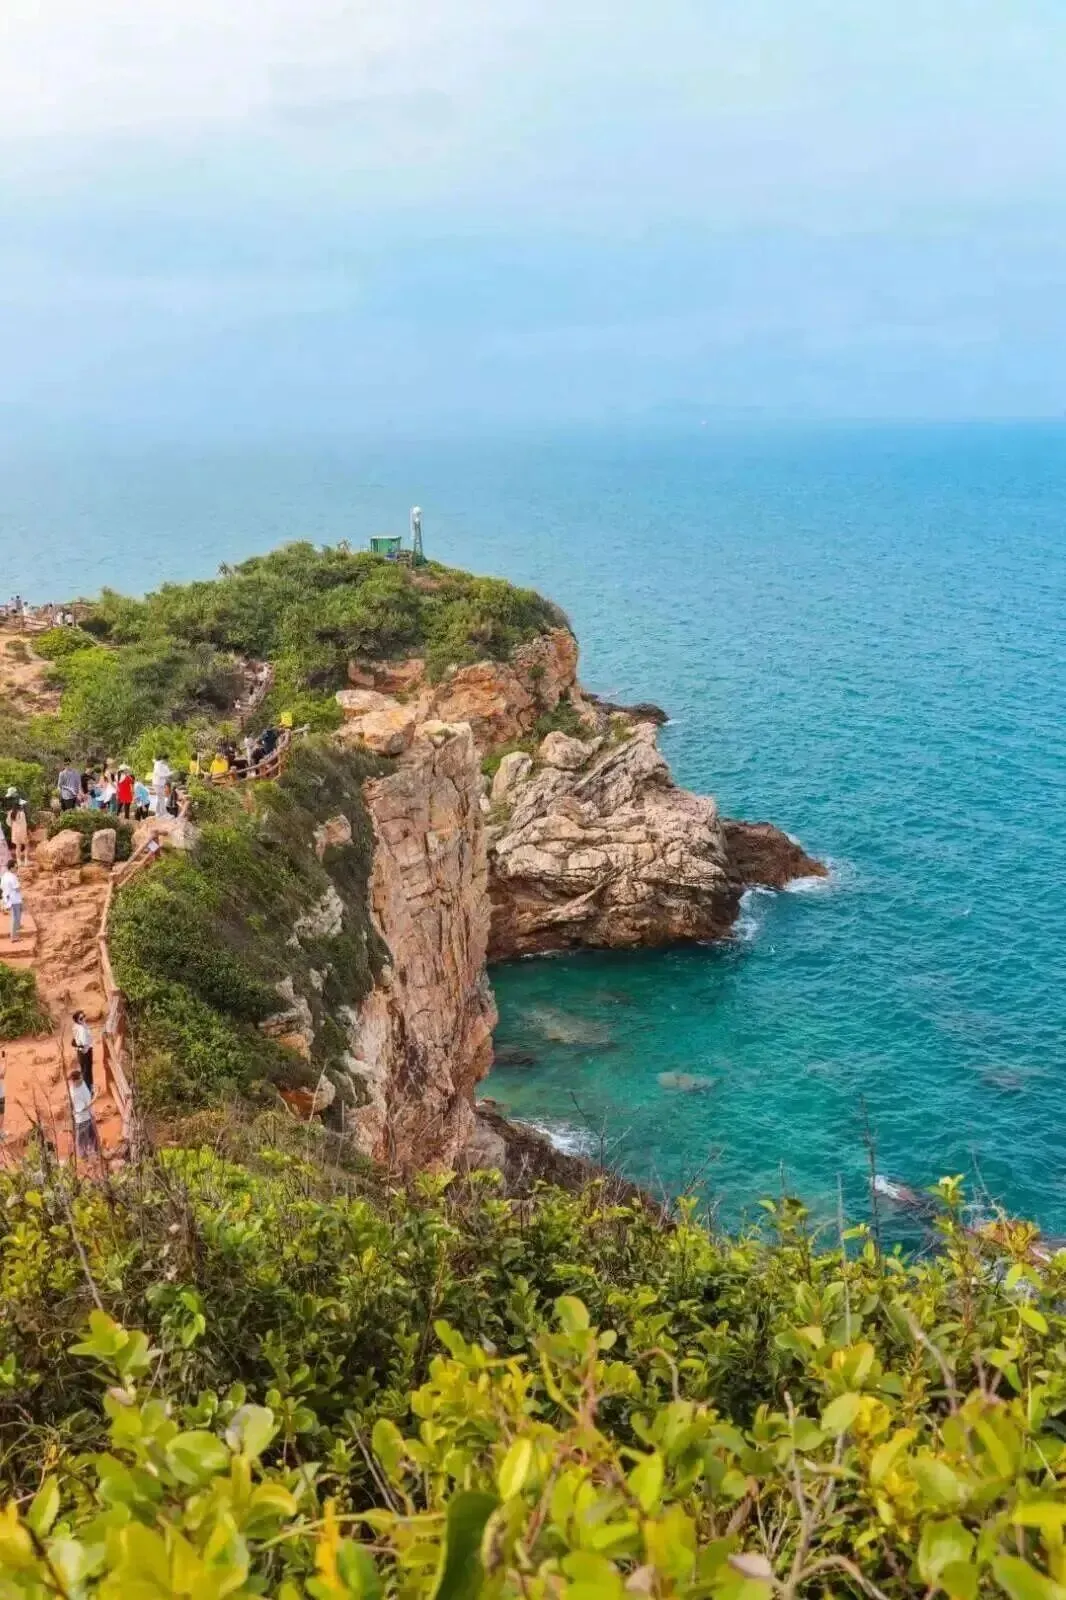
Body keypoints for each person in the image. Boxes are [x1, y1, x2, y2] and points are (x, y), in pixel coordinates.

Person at [67, 1066, 99, 1159]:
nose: (82, 1079)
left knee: (94, 1137)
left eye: (81, 1077)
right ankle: (83, 1158)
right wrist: (96, 1097)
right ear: (74, 1081)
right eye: (80, 1079)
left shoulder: (81, 1083)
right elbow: (83, 1108)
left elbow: (86, 1090)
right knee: (82, 1141)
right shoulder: (74, 1094)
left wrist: (92, 1089)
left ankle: (96, 1153)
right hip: (82, 1120)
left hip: (89, 1115)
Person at [71, 1011, 94, 1092]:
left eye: (84, 1016)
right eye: (81, 1018)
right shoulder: (81, 1028)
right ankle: (88, 1090)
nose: (83, 1019)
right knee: (86, 1072)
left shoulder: (79, 1026)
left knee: (86, 1070)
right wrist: (87, 1044)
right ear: (77, 1020)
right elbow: (84, 1042)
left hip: (82, 1051)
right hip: (85, 1051)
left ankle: (89, 1088)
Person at [5, 793, 29, 869]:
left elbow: (9, 823)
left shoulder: (11, 812)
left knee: (18, 847)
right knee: (26, 845)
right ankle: (26, 861)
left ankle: (19, 862)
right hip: (22, 832)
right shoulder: (22, 813)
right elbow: (24, 824)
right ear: (20, 805)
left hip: (15, 832)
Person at [1, 864, 22, 941]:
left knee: (14, 917)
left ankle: (14, 935)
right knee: (15, 918)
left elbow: (1, 887)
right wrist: (20, 883)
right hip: (15, 900)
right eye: (16, 867)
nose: (17, 869)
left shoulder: (4, 875)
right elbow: (17, 888)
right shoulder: (13, 877)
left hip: (8, 899)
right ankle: (13, 937)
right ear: (12, 868)